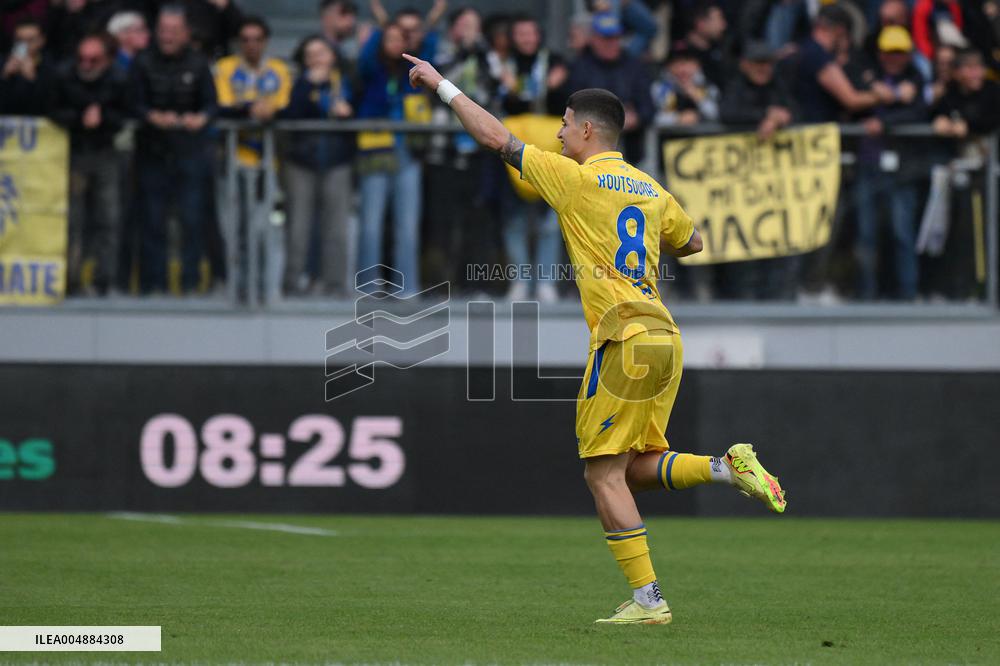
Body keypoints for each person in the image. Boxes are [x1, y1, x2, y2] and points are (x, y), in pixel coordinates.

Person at [404, 54, 787, 624]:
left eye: (562, 123)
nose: (557, 132)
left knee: (599, 473)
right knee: (634, 466)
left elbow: (494, 137)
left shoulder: (575, 178)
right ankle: (725, 468)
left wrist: (441, 84)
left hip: (622, 339)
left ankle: (648, 601)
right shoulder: (650, 188)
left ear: (586, 129)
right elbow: (696, 242)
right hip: (665, 337)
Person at [131, 5, 218, 294]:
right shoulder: (142, 62)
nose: (167, 36)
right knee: (152, 222)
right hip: (152, 152)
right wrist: (151, 117)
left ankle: (190, 283)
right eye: (162, 31)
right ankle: (152, 285)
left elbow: (211, 103)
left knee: (192, 221)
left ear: (185, 33)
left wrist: (201, 118)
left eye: (173, 31)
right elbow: (133, 102)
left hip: (190, 152)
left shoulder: (198, 63)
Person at [354, 21, 431, 293]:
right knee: (370, 223)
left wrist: (429, 21)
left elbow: (431, 48)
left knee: (407, 225)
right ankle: (366, 286)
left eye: (401, 39)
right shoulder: (370, 69)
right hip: (376, 150)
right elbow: (363, 60)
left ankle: (407, 288)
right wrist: (377, 27)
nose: (395, 44)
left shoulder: (413, 71)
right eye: (389, 39)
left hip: (408, 150)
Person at [496, 13, 568, 301]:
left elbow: (563, 102)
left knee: (550, 219)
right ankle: (520, 281)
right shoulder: (502, 65)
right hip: (512, 148)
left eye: (531, 33)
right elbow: (499, 102)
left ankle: (547, 282)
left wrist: (552, 86)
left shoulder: (556, 63)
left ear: (539, 36)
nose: (526, 38)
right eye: (521, 33)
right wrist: (510, 88)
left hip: (550, 149)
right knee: (514, 217)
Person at [853, 26, 928, 301]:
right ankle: (866, 294)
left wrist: (886, 119)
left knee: (902, 233)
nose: (894, 58)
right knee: (866, 235)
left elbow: (921, 112)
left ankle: (907, 293)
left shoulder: (916, 78)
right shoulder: (867, 75)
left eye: (899, 52)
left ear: (908, 54)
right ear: (880, 53)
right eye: (889, 52)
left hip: (903, 167)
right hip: (869, 163)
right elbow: (850, 101)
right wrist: (884, 95)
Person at [50, 32, 129, 296]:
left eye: (93, 60)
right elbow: (52, 109)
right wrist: (79, 118)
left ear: (107, 60)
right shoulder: (64, 75)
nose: (85, 65)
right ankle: (71, 280)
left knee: (107, 219)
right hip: (74, 152)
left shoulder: (118, 78)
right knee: (73, 219)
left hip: (105, 152)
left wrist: (103, 117)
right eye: (81, 58)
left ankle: (103, 280)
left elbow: (125, 115)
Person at [280, 36, 355, 297]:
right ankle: (291, 284)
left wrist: (350, 112)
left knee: (336, 228)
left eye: (320, 53)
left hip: (337, 160)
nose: (316, 59)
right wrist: (309, 84)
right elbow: (289, 114)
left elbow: (365, 109)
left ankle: (335, 285)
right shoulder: (298, 82)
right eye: (310, 54)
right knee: (298, 227)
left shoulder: (346, 81)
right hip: (301, 161)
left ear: (332, 55)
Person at [564, 12, 654, 163]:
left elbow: (648, 106)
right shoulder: (579, 67)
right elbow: (572, 104)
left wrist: (636, 117)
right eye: (606, 38)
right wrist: (609, 120)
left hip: (632, 152)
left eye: (616, 38)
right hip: (589, 151)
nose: (611, 43)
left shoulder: (634, 66)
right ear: (593, 39)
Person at [785, 5, 896, 123]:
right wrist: (883, 96)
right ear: (840, 30)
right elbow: (852, 100)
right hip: (818, 131)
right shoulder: (818, 55)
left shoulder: (802, 48)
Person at [215, 15, 292, 164]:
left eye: (258, 39)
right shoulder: (224, 67)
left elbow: (285, 103)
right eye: (245, 39)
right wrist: (250, 108)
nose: (252, 45)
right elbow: (224, 103)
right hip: (234, 150)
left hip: (273, 150)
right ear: (238, 42)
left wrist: (269, 109)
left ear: (266, 41)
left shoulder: (280, 69)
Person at [651, 47, 720, 126]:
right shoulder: (662, 87)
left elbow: (716, 114)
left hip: (706, 135)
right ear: (668, 67)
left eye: (687, 63)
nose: (682, 70)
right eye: (676, 64)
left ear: (698, 65)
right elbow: (655, 118)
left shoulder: (707, 85)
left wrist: (698, 97)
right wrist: (678, 118)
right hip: (671, 135)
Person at [0, 17, 55, 115]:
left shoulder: (50, 67)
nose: (24, 45)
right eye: (19, 40)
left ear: (41, 40)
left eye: (30, 40)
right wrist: (5, 78)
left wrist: (32, 79)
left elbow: (48, 108)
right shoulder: (3, 63)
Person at [673, 1, 728, 87]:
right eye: (718, 19)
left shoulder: (719, 51)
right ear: (701, 24)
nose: (723, 25)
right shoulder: (679, 53)